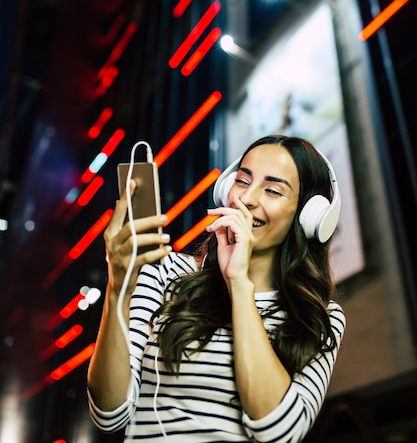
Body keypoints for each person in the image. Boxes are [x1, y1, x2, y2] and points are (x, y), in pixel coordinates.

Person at [87, 134, 346, 442]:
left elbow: (280, 432)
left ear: (309, 216)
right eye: (242, 180)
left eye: (273, 190)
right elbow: (109, 413)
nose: (247, 199)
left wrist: (238, 283)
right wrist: (119, 285)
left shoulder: (320, 316)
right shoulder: (166, 272)